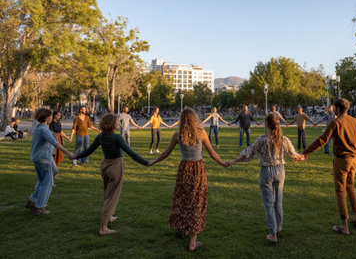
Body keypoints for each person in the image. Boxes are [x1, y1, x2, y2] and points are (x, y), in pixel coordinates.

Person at [298, 98, 356, 235]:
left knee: (340, 191)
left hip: (342, 161)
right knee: (350, 187)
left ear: (338, 109)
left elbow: (322, 140)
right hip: (355, 160)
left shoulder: (336, 122)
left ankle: (344, 226)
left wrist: (305, 153)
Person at [148, 108, 230, 252]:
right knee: (197, 202)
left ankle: (184, 229)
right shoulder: (202, 133)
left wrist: (154, 161)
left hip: (184, 169)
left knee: (183, 199)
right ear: (194, 119)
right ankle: (193, 241)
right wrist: (223, 163)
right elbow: (212, 153)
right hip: (197, 170)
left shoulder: (178, 134)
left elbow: (166, 153)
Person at [231, 113, 303, 243]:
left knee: (269, 203)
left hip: (266, 172)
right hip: (280, 170)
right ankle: (278, 227)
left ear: (266, 124)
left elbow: (248, 153)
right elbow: (294, 154)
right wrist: (303, 156)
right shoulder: (284, 139)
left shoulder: (262, 139)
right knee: (278, 200)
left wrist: (234, 161)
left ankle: (273, 233)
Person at [74, 113, 151, 235]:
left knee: (107, 192)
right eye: (116, 122)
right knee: (112, 196)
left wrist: (76, 156)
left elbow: (89, 151)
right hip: (115, 166)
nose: (118, 123)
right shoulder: (117, 138)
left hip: (105, 166)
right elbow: (130, 152)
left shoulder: (100, 137)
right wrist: (146, 162)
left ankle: (109, 216)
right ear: (111, 124)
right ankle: (103, 228)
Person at [25, 108, 75, 216]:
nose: (52, 118)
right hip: (43, 159)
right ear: (47, 118)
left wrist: (51, 132)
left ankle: (32, 201)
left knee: (52, 173)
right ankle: (39, 207)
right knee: (47, 183)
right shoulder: (43, 129)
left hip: (42, 157)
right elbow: (55, 143)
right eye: (51, 116)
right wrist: (69, 153)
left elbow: (47, 135)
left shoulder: (41, 127)